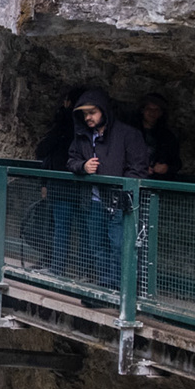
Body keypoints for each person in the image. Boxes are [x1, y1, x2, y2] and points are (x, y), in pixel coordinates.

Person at [66, 89, 150, 289]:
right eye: (85, 114)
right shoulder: (82, 136)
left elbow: (138, 168)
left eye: (92, 112)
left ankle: (123, 289)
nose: (88, 118)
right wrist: (83, 166)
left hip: (119, 202)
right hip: (93, 200)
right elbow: (71, 160)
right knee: (98, 247)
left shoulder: (128, 134)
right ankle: (106, 286)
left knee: (120, 246)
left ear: (103, 111)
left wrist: (121, 191)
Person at [35, 87, 87, 273]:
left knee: (61, 228)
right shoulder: (88, 128)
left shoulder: (62, 125)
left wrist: (44, 182)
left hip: (61, 184)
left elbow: (42, 151)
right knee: (84, 231)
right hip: (83, 186)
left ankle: (57, 267)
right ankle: (84, 271)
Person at [139, 92, 183, 178]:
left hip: (157, 182)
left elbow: (176, 162)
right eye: (149, 109)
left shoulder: (167, 136)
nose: (152, 112)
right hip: (134, 179)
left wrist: (166, 168)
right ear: (142, 110)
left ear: (161, 113)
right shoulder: (130, 132)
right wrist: (139, 168)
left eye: (156, 110)